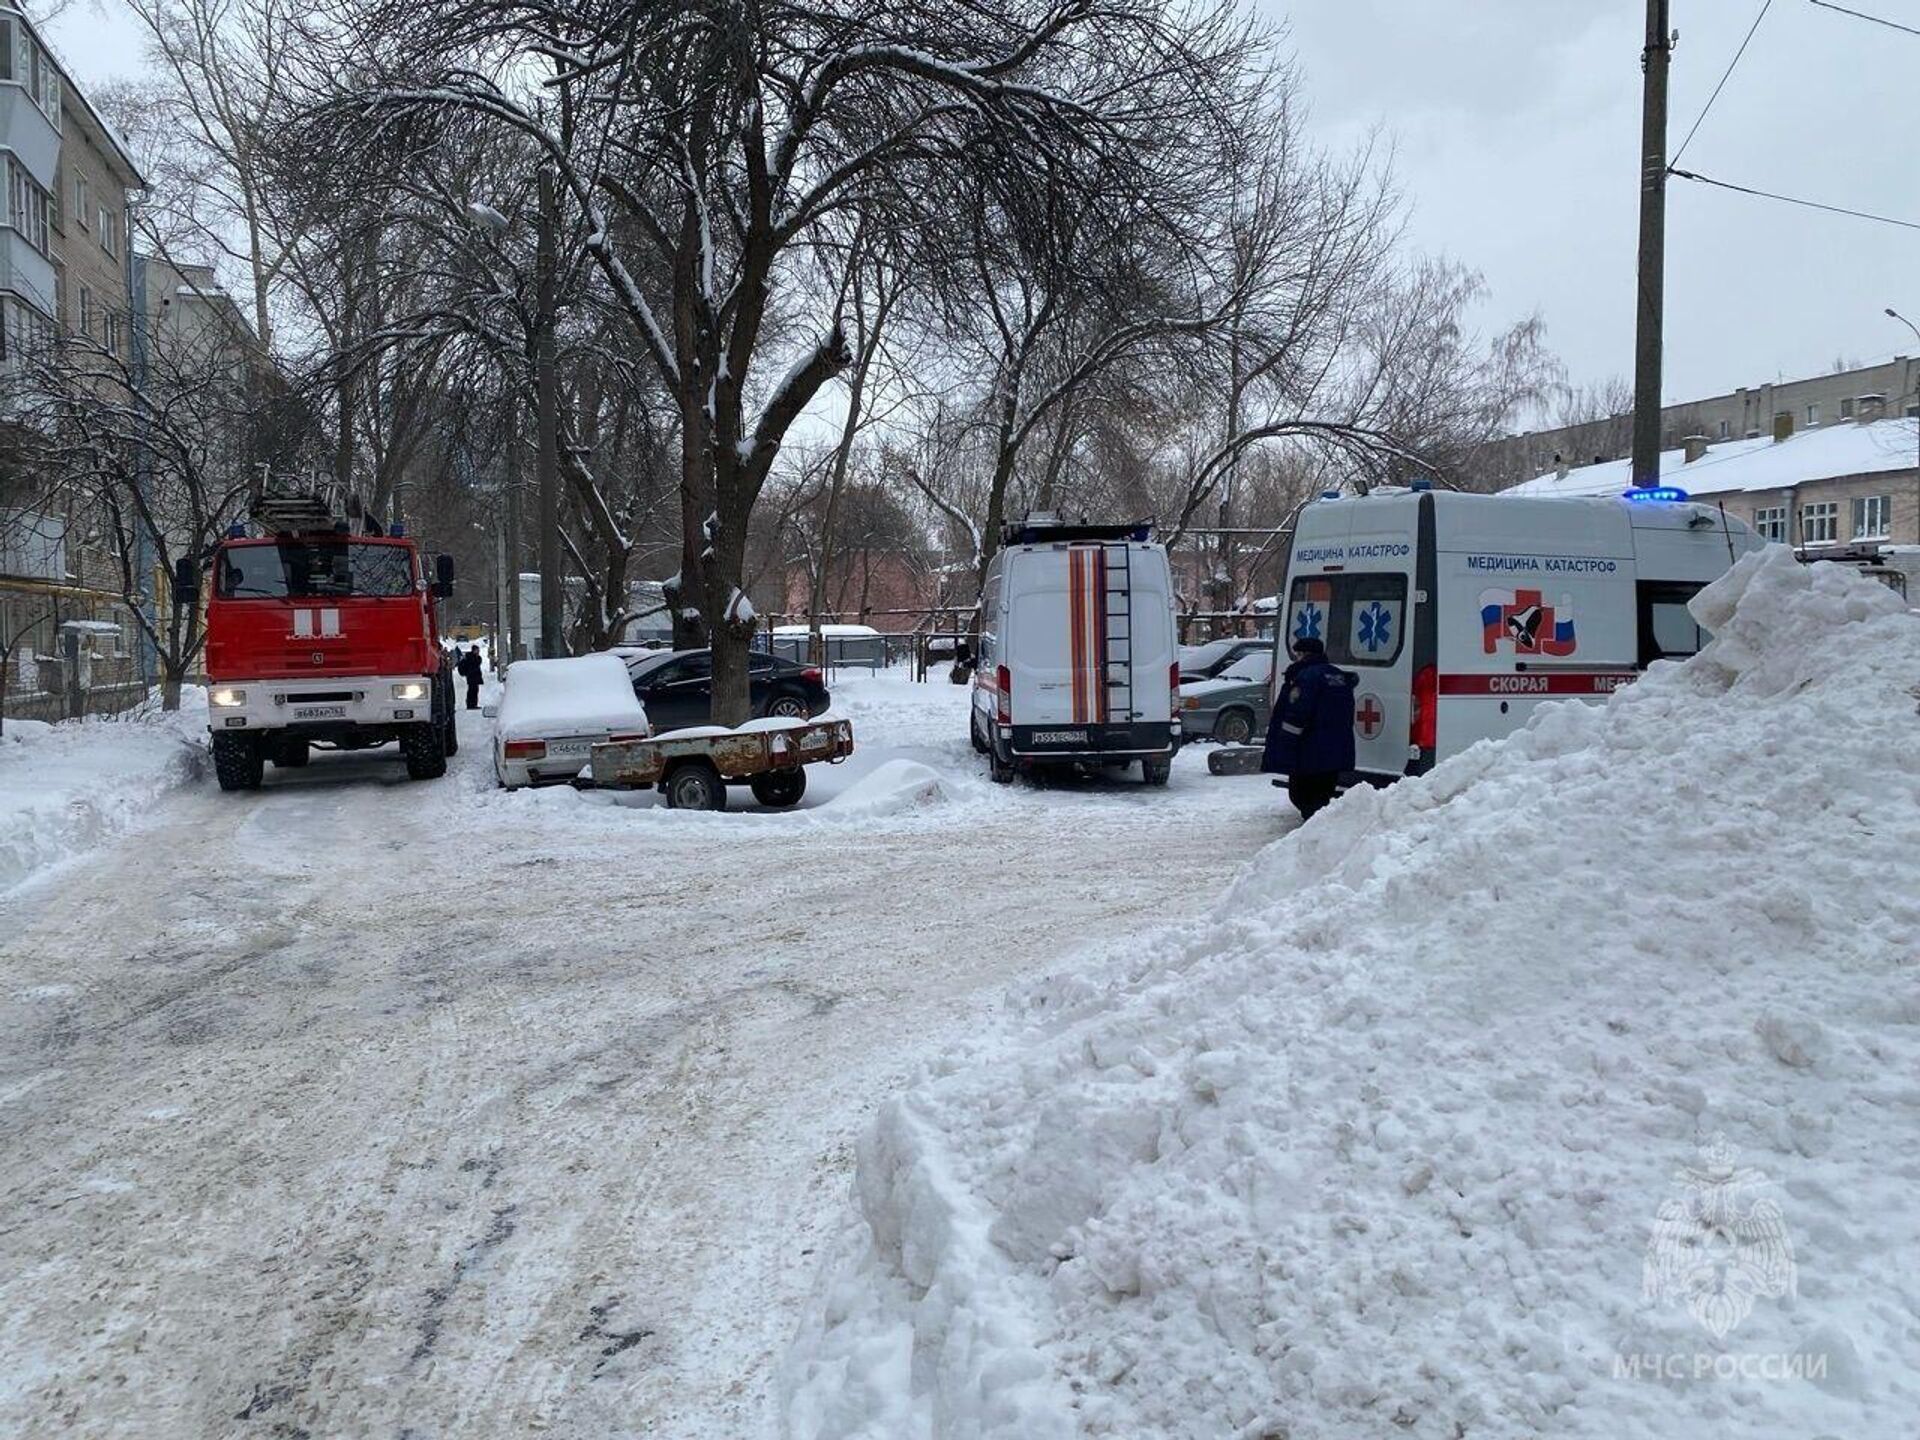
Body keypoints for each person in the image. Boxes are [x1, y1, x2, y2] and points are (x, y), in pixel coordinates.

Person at [1261, 635, 1357, 821]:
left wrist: (1285, 746)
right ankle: (1318, 832)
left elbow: (1296, 715)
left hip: (1309, 752)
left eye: (1297, 654)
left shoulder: (1305, 677)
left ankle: (1313, 839)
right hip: (1336, 750)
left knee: (1302, 796)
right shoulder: (1338, 676)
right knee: (1323, 794)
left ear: (1304, 654)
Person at [457, 644, 484, 710]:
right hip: (472, 677)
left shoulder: (474, 657)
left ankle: (473, 704)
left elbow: (478, 662)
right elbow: (474, 664)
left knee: (474, 690)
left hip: (474, 676)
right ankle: (470, 704)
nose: (478, 651)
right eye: (477, 650)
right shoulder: (470, 657)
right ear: (474, 650)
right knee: (472, 690)